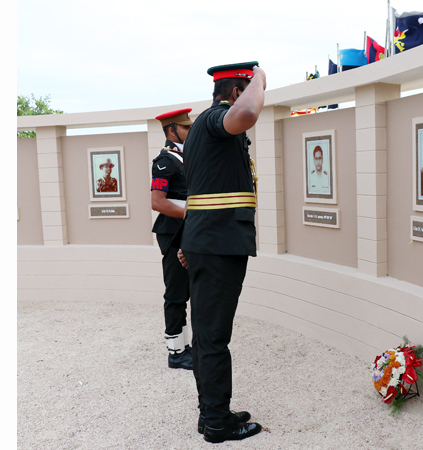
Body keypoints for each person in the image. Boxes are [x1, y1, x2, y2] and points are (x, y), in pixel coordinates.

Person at [176, 62, 266, 443]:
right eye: (246, 88)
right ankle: (216, 423)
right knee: (213, 339)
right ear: (234, 93)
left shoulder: (201, 129)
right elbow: (246, 112)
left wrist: (187, 240)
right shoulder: (216, 120)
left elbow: (200, 188)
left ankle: (211, 412)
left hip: (208, 242)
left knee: (208, 336)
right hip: (217, 246)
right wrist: (260, 77)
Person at [151, 108, 193, 370]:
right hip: (173, 232)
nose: (190, 131)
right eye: (185, 127)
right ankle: (175, 352)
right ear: (171, 130)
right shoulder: (164, 162)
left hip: (187, 230)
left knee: (188, 290)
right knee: (176, 292)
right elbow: (157, 202)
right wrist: (189, 215)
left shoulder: (184, 157)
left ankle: (186, 345)